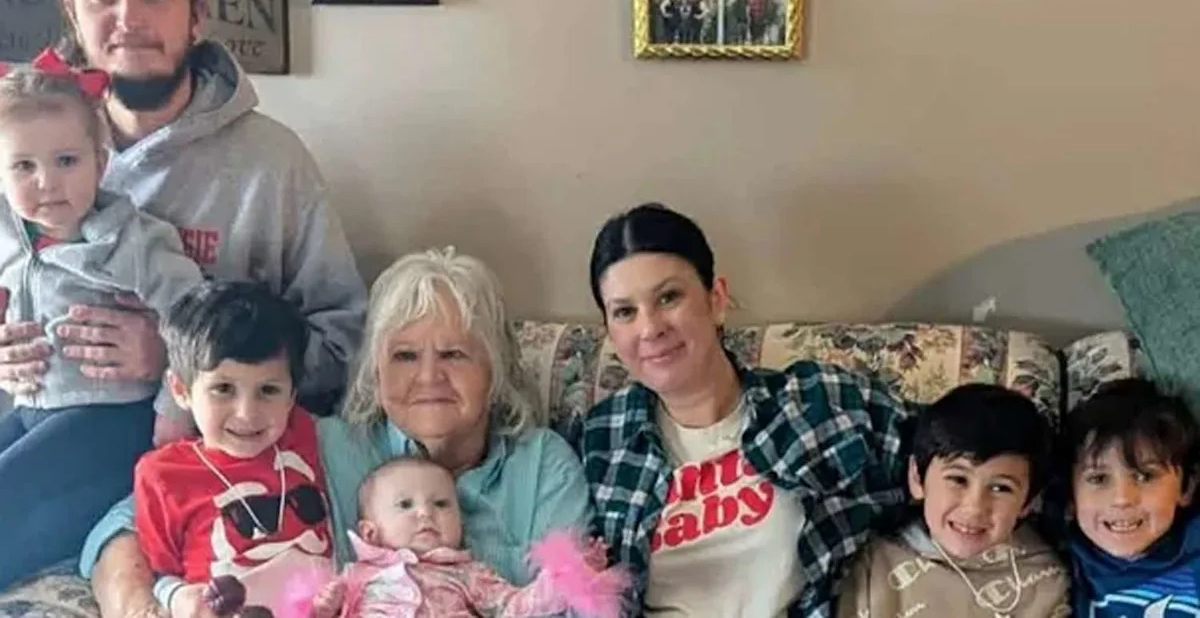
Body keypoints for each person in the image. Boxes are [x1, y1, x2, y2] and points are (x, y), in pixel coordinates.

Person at [0, 0, 364, 612]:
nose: (128, 18)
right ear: (71, 10)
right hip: (39, 412)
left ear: (198, 12)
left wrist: (176, 360)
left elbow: (344, 346)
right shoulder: (24, 147)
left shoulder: (272, 165)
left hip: (179, 451)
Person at [85, 248, 590, 618]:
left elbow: (578, 599)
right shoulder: (320, 444)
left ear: (495, 367)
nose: (428, 376)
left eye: (454, 354)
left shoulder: (542, 465)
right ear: (374, 370)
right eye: (404, 356)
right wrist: (150, 606)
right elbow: (127, 523)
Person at [580, 203, 916, 616]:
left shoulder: (817, 401)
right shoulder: (600, 438)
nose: (650, 328)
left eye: (668, 297)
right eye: (624, 312)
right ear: (610, 332)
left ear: (716, 299)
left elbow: (953, 452)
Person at [0, 60, 204, 589]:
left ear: (100, 162)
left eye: (67, 161)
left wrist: (174, 409)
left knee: (11, 489)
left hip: (112, 416)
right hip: (31, 407)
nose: (47, 183)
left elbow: (193, 319)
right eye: (23, 166)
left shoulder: (133, 241)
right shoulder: (9, 238)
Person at [133, 282, 341, 617]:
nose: (247, 413)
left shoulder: (304, 433)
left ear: (292, 395)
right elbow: (161, 572)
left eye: (268, 390)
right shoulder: (162, 475)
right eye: (223, 389)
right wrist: (177, 597)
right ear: (181, 390)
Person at [836, 384, 1069, 617]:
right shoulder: (873, 565)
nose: (974, 507)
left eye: (1001, 488)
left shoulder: (1047, 581)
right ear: (917, 478)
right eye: (958, 479)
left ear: (1027, 502)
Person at [323, 456, 626, 618]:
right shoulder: (354, 576)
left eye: (441, 504)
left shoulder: (468, 573)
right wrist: (323, 608)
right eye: (405, 505)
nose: (425, 513)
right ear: (370, 533)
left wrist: (568, 574)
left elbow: (514, 607)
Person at [1064, 379, 1200, 615]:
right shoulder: (1055, 566)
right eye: (1098, 479)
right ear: (1071, 496)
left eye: (1144, 476)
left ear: (1186, 487)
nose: (1122, 499)